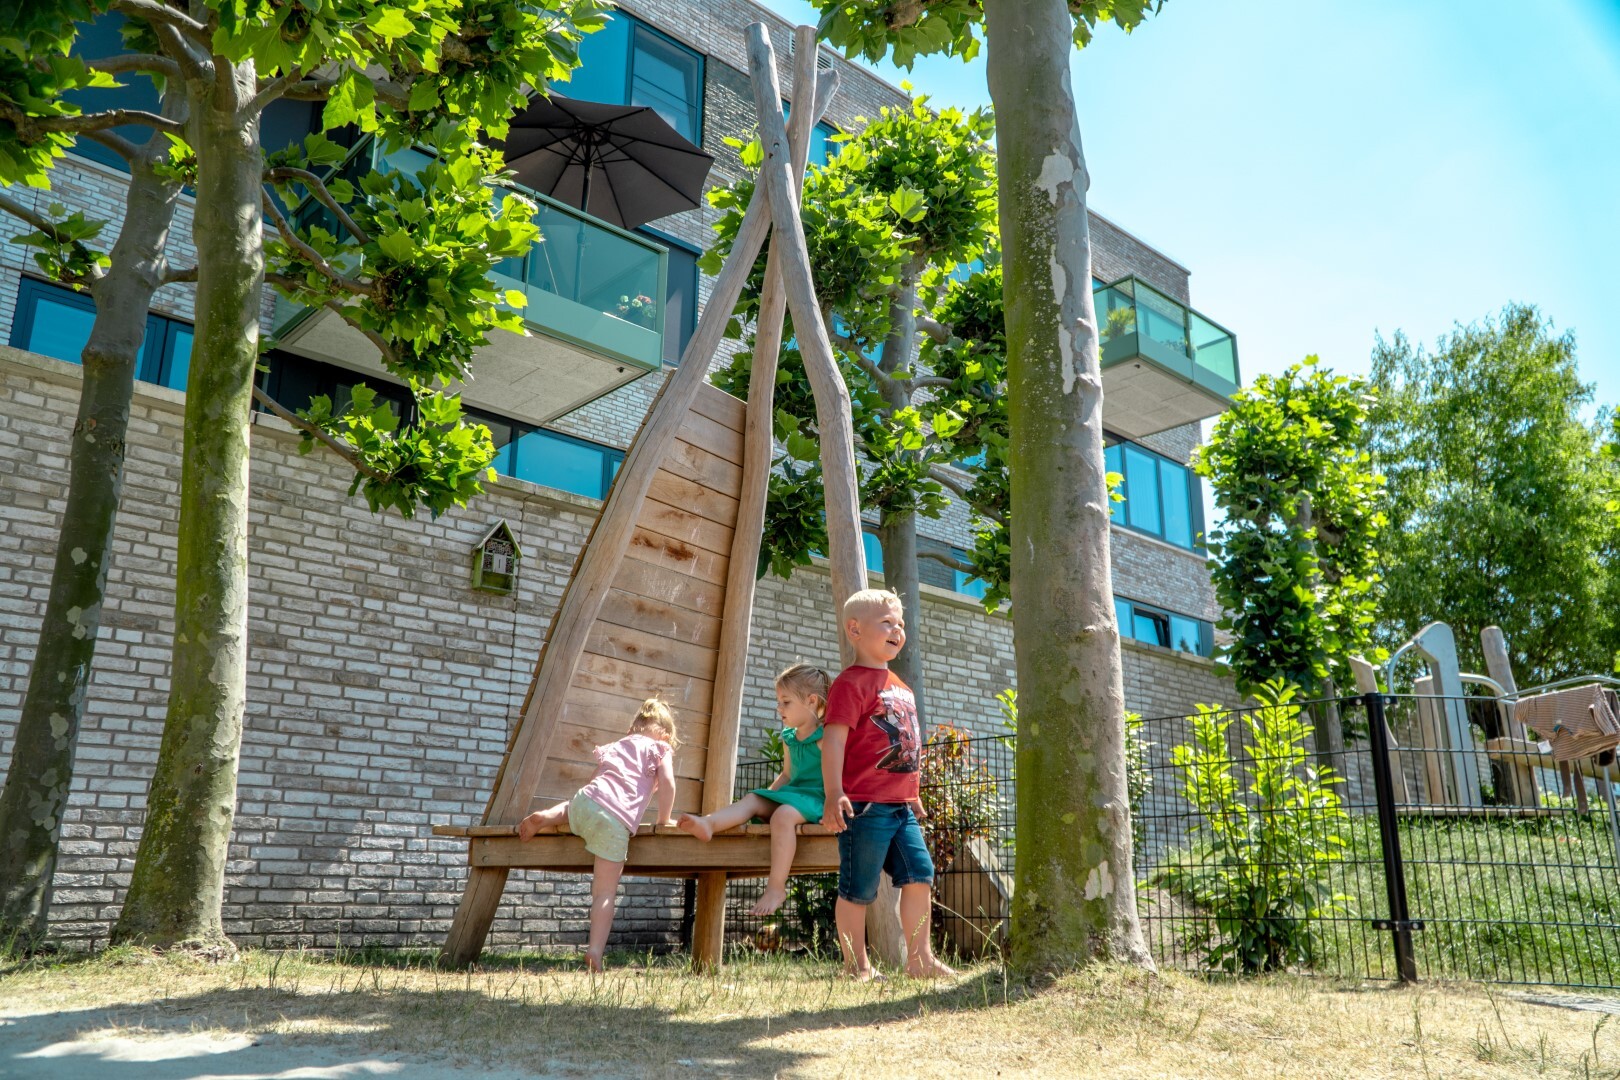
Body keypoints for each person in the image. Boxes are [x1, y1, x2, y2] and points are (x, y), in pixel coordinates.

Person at [822, 588, 956, 980]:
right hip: (862, 806)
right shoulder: (850, 683)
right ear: (855, 629)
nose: (897, 630)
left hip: (900, 808)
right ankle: (857, 966)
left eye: (901, 624)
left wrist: (911, 794)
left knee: (919, 875)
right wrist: (834, 793)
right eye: (887, 623)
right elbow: (833, 740)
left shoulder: (902, 685)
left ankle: (920, 961)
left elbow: (905, 744)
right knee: (857, 889)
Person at [516, 697, 679, 972]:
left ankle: (546, 816)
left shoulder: (618, 745)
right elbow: (668, 783)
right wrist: (663, 819)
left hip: (586, 801)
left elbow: (595, 777)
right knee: (604, 893)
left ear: (633, 728)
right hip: (614, 820)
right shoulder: (660, 748)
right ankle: (594, 951)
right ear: (664, 733)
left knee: (571, 807)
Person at [677, 663, 832, 916]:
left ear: (812, 701)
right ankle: (708, 824)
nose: (779, 708)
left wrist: (836, 807)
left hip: (818, 799)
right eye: (778, 701)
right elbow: (788, 775)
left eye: (786, 702)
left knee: (783, 815)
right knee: (753, 798)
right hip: (794, 797)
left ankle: (776, 887)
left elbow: (839, 776)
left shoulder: (826, 737)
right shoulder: (790, 737)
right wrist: (767, 795)